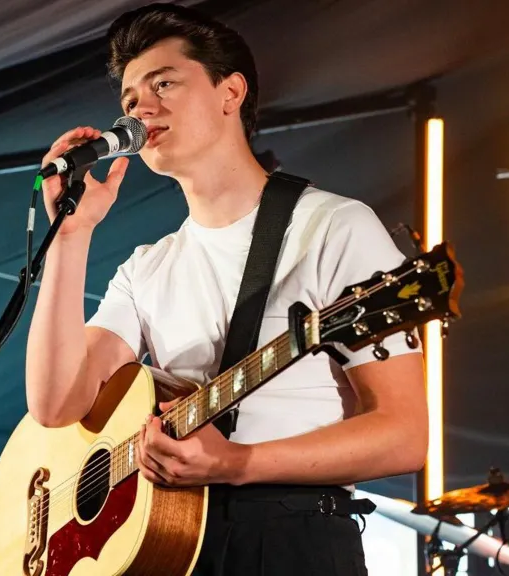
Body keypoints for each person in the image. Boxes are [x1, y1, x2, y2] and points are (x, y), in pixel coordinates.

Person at [25, 4, 428, 575]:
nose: (140, 107)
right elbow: (54, 404)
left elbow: (405, 435)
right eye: (129, 98)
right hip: (173, 541)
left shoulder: (334, 227)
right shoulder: (147, 267)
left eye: (164, 83)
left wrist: (236, 462)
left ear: (230, 93)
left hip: (292, 539)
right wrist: (71, 235)